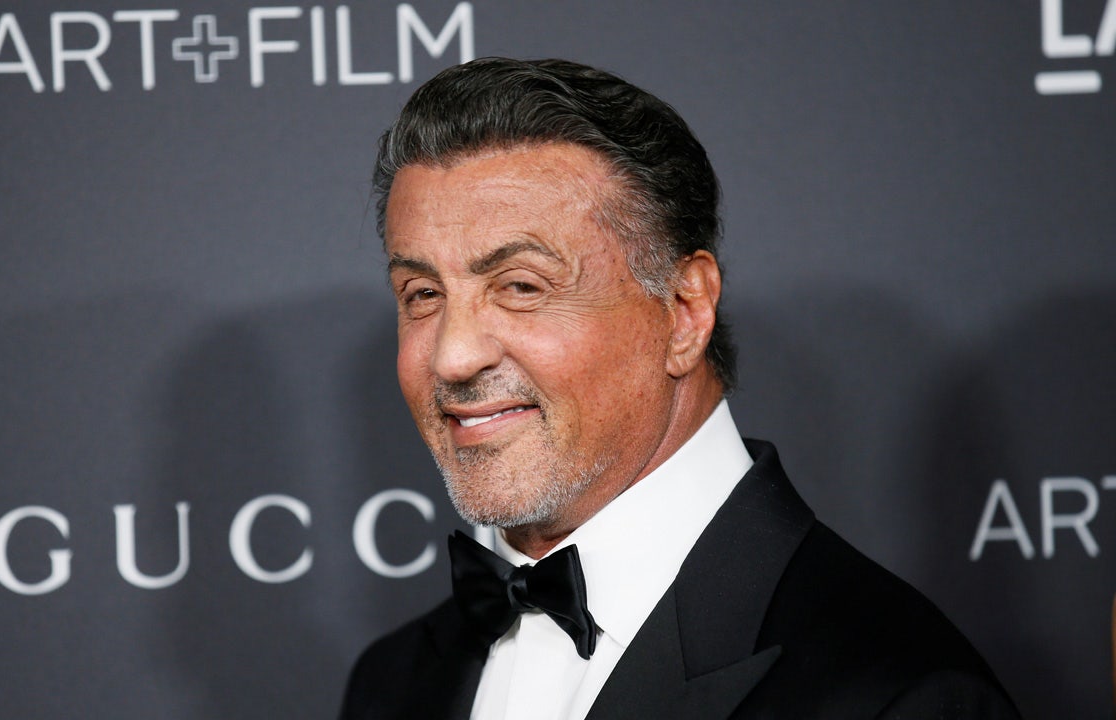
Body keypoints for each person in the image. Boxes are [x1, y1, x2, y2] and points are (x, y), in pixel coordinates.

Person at [340, 57, 1020, 720]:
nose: (454, 356)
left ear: (685, 311)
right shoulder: (392, 683)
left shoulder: (900, 697)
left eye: (521, 287)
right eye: (422, 294)